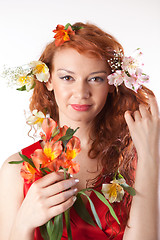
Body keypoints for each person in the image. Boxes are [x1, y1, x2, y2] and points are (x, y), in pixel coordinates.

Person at [0, 22, 159, 240]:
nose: (81, 92)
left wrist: (149, 158)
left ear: (112, 84)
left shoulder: (134, 163)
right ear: (48, 80)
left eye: (96, 78)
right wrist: (24, 222)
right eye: (67, 77)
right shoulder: (15, 170)